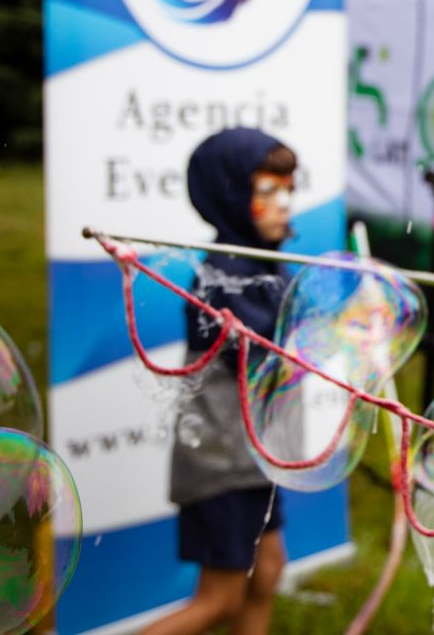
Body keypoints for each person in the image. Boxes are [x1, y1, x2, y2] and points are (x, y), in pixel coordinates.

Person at [146, 128, 297, 635]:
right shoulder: (221, 278)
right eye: (268, 190)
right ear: (233, 196)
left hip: (253, 459)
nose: (284, 204)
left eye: (289, 189)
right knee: (220, 600)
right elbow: (267, 351)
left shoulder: (264, 265)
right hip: (222, 463)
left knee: (267, 571)